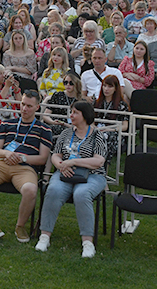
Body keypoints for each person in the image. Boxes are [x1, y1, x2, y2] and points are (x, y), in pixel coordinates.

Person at [0, 90, 52, 243]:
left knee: (30, 189)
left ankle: (20, 226)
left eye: (29, 106)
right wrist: (6, 154)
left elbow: (43, 158)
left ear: (37, 107)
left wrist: (22, 157)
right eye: (23, 104)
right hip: (3, 164)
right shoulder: (8, 123)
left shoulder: (44, 129)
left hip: (25, 168)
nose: (24, 109)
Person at [35, 101, 108, 258]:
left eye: (75, 113)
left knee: (81, 194)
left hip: (92, 174)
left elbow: (99, 161)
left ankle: (88, 243)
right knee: (53, 190)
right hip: (65, 173)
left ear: (85, 115)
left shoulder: (98, 135)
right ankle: (44, 236)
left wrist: (74, 162)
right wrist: (61, 165)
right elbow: (55, 155)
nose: (71, 115)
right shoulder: (66, 134)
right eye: (71, 112)